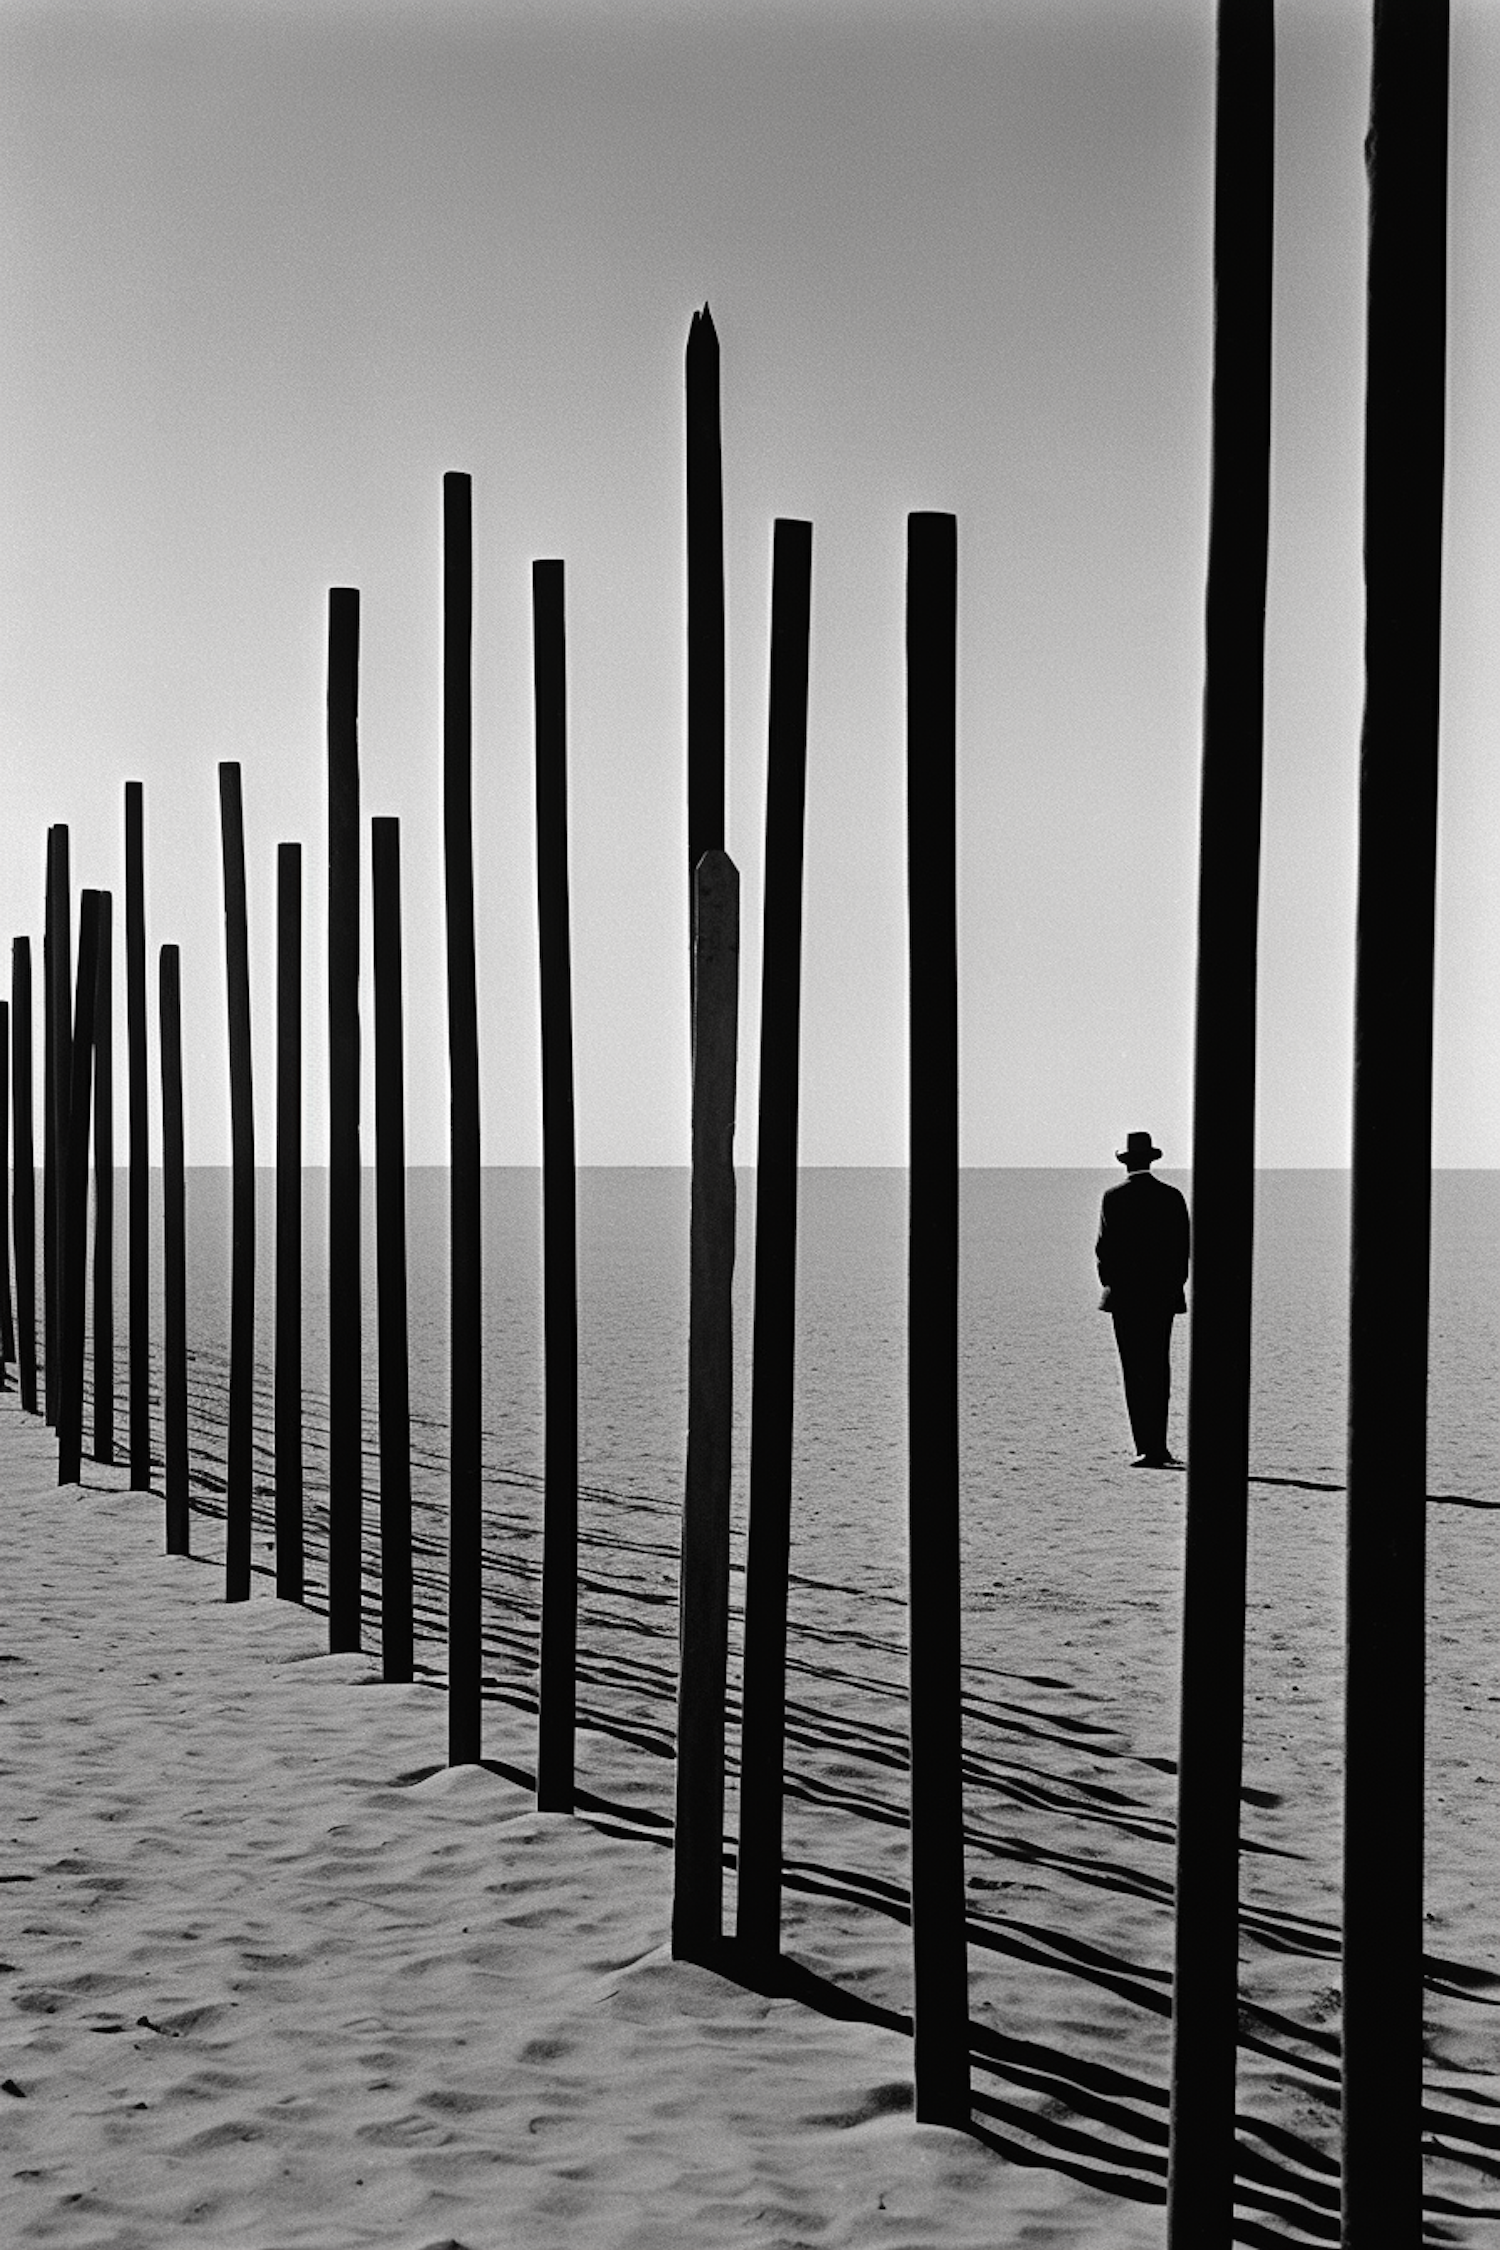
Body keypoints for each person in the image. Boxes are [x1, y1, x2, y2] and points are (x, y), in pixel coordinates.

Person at [1096, 1131, 1190, 1467]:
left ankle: (1144, 1445)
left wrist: (1113, 1284)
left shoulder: (1113, 1198)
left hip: (1125, 1298)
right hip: (1161, 1297)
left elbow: (1103, 1251)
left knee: (1133, 1371)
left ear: (1126, 1162)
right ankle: (1160, 1445)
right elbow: (1182, 1250)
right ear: (1151, 1159)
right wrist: (1171, 1286)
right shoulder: (1171, 1197)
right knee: (1158, 1369)